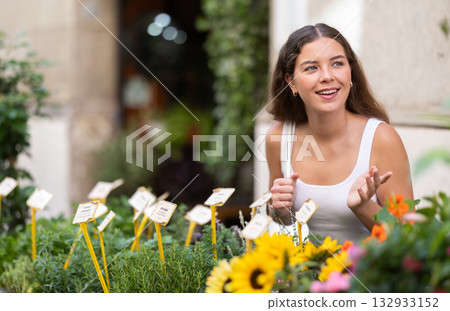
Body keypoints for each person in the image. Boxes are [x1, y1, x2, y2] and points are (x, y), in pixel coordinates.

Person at [265, 23, 414, 244]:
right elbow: (280, 217)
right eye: (311, 68)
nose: (327, 76)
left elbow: (407, 236)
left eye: (337, 63)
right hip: (306, 275)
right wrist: (280, 211)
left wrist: (363, 207)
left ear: (350, 71)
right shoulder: (278, 139)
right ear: (291, 82)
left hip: (369, 275)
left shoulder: (381, 139)